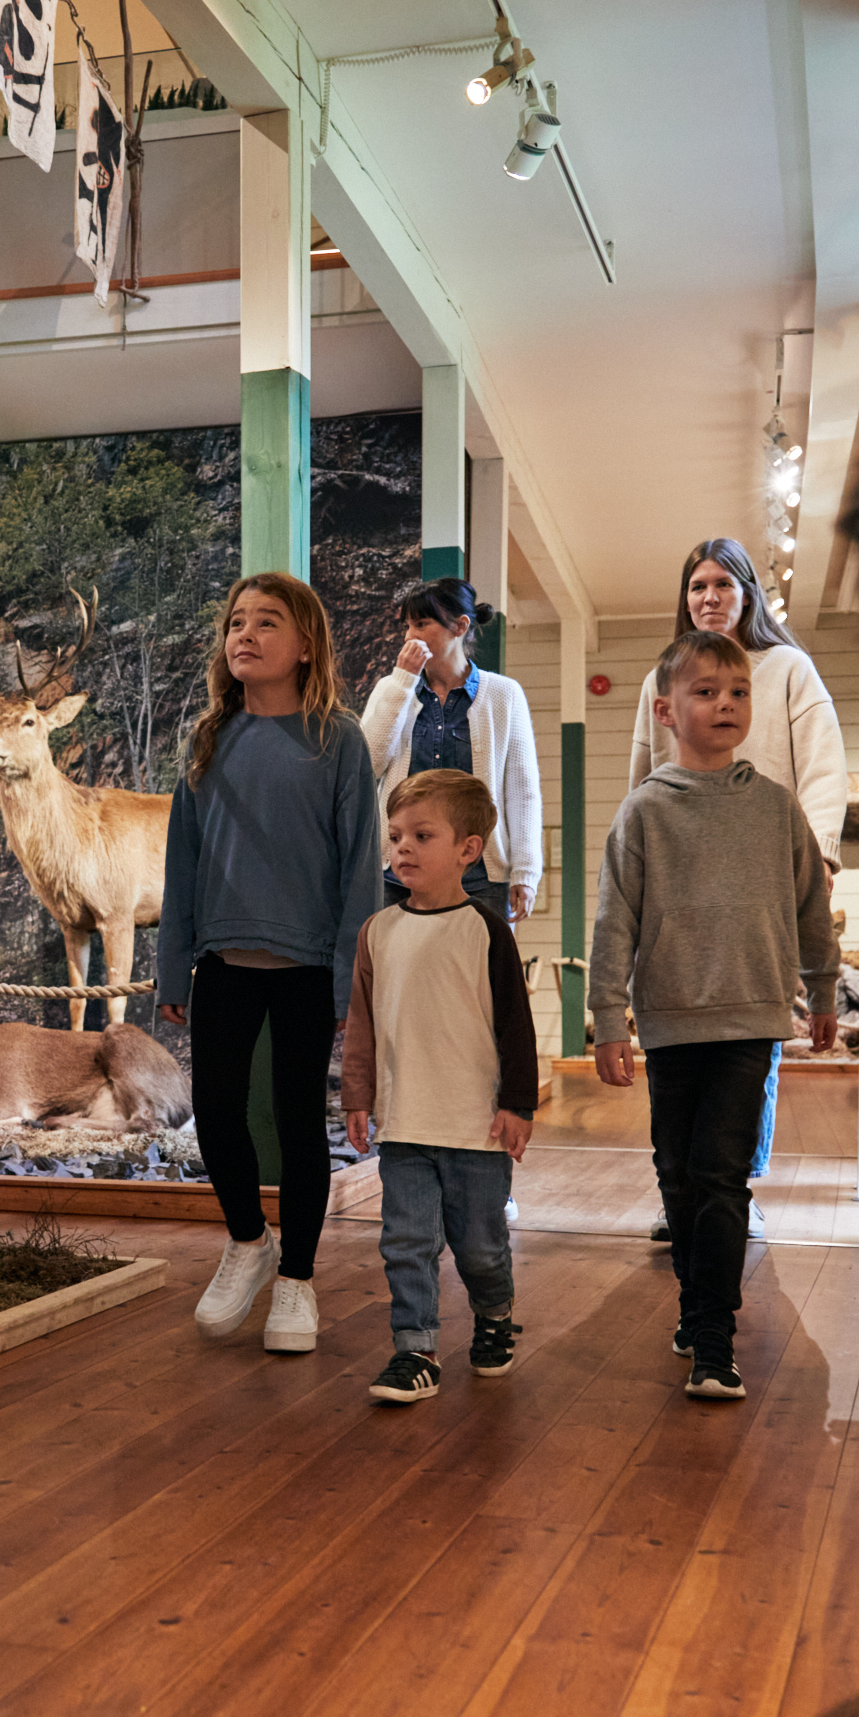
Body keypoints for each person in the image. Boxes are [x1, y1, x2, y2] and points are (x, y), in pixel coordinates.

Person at [588, 630, 838, 1401]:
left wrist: (823, 988)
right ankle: (697, 1303)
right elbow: (614, 923)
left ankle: (712, 1335)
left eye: (737, 692)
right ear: (666, 710)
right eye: (706, 692)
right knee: (678, 1174)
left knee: (723, 1176)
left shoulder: (774, 808)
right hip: (669, 1019)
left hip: (750, 1019)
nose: (725, 703)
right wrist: (607, 1017)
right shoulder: (643, 813)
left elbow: (811, 907)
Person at [158, 572, 384, 1356]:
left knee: (296, 1124)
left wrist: (344, 976)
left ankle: (297, 1279)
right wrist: (170, 966)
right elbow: (180, 862)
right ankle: (248, 1243)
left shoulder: (339, 740)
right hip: (221, 960)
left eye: (266, 623)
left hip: (305, 969)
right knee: (215, 1114)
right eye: (236, 624)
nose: (245, 635)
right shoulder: (207, 738)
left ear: (306, 644)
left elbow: (360, 867)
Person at [624, 539, 847, 1239]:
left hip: (765, 884)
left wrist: (817, 862)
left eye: (723, 584)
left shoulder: (788, 670)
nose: (710, 597)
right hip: (681, 889)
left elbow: (822, 768)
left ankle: (731, 1190)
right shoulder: (660, 680)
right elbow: (641, 775)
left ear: (749, 592)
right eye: (697, 586)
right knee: (681, 1042)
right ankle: (683, 1187)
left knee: (755, 1036)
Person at [342, 769, 537, 1404]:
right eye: (395, 835)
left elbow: (515, 1028)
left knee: (480, 1247)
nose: (401, 848)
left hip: (476, 1129)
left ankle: (495, 1316)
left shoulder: (486, 931)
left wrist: (518, 1105)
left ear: (468, 849)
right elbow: (363, 1026)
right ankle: (415, 1349)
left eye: (421, 835)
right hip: (404, 1128)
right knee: (406, 1242)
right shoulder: (378, 932)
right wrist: (358, 1096)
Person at [360, 580, 544, 925]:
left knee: (479, 976)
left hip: (481, 876)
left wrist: (525, 870)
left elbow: (523, 790)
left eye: (422, 624)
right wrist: (402, 681)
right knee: (396, 974)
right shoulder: (392, 688)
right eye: (408, 625)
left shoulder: (504, 694)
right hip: (398, 875)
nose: (409, 636)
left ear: (460, 626)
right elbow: (367, 763)